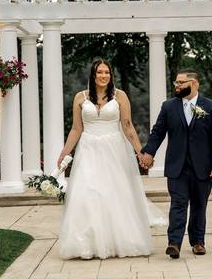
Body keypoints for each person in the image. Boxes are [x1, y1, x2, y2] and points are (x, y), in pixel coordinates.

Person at [57, 59, 165, 259]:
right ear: (93, 74)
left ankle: (120, 241)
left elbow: (128, 126)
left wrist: (141, 152)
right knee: (87, 192)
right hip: (88, 149)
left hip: (114, 149)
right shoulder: (80, 98)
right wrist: (65, 152)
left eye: (107, 72)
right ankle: (87, 244)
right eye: (100, 72)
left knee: (115, 192)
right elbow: (76, 128)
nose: (104, 75)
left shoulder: (120, 96)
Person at [139, 69, 212, 259]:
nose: (176, 86)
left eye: (181, 83)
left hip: (202, 166)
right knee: (178, 203)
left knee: (199, 205)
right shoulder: (169, 106)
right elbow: (158, 132)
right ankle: (174, 243)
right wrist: (149, 152)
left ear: (194, 84)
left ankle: (197, 242)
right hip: (177, 166)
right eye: (175, 83)